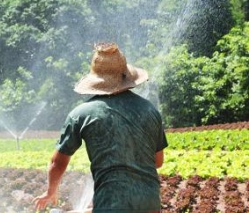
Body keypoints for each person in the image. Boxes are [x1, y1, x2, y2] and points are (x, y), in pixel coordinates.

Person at [33, 42, 168, 213]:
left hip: (109, 203)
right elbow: (158, 161)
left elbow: (57, 163)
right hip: (149, 204)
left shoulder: (81, 114)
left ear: (96, 80)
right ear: (126, 76)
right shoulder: (150, 110)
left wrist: (51, 192)